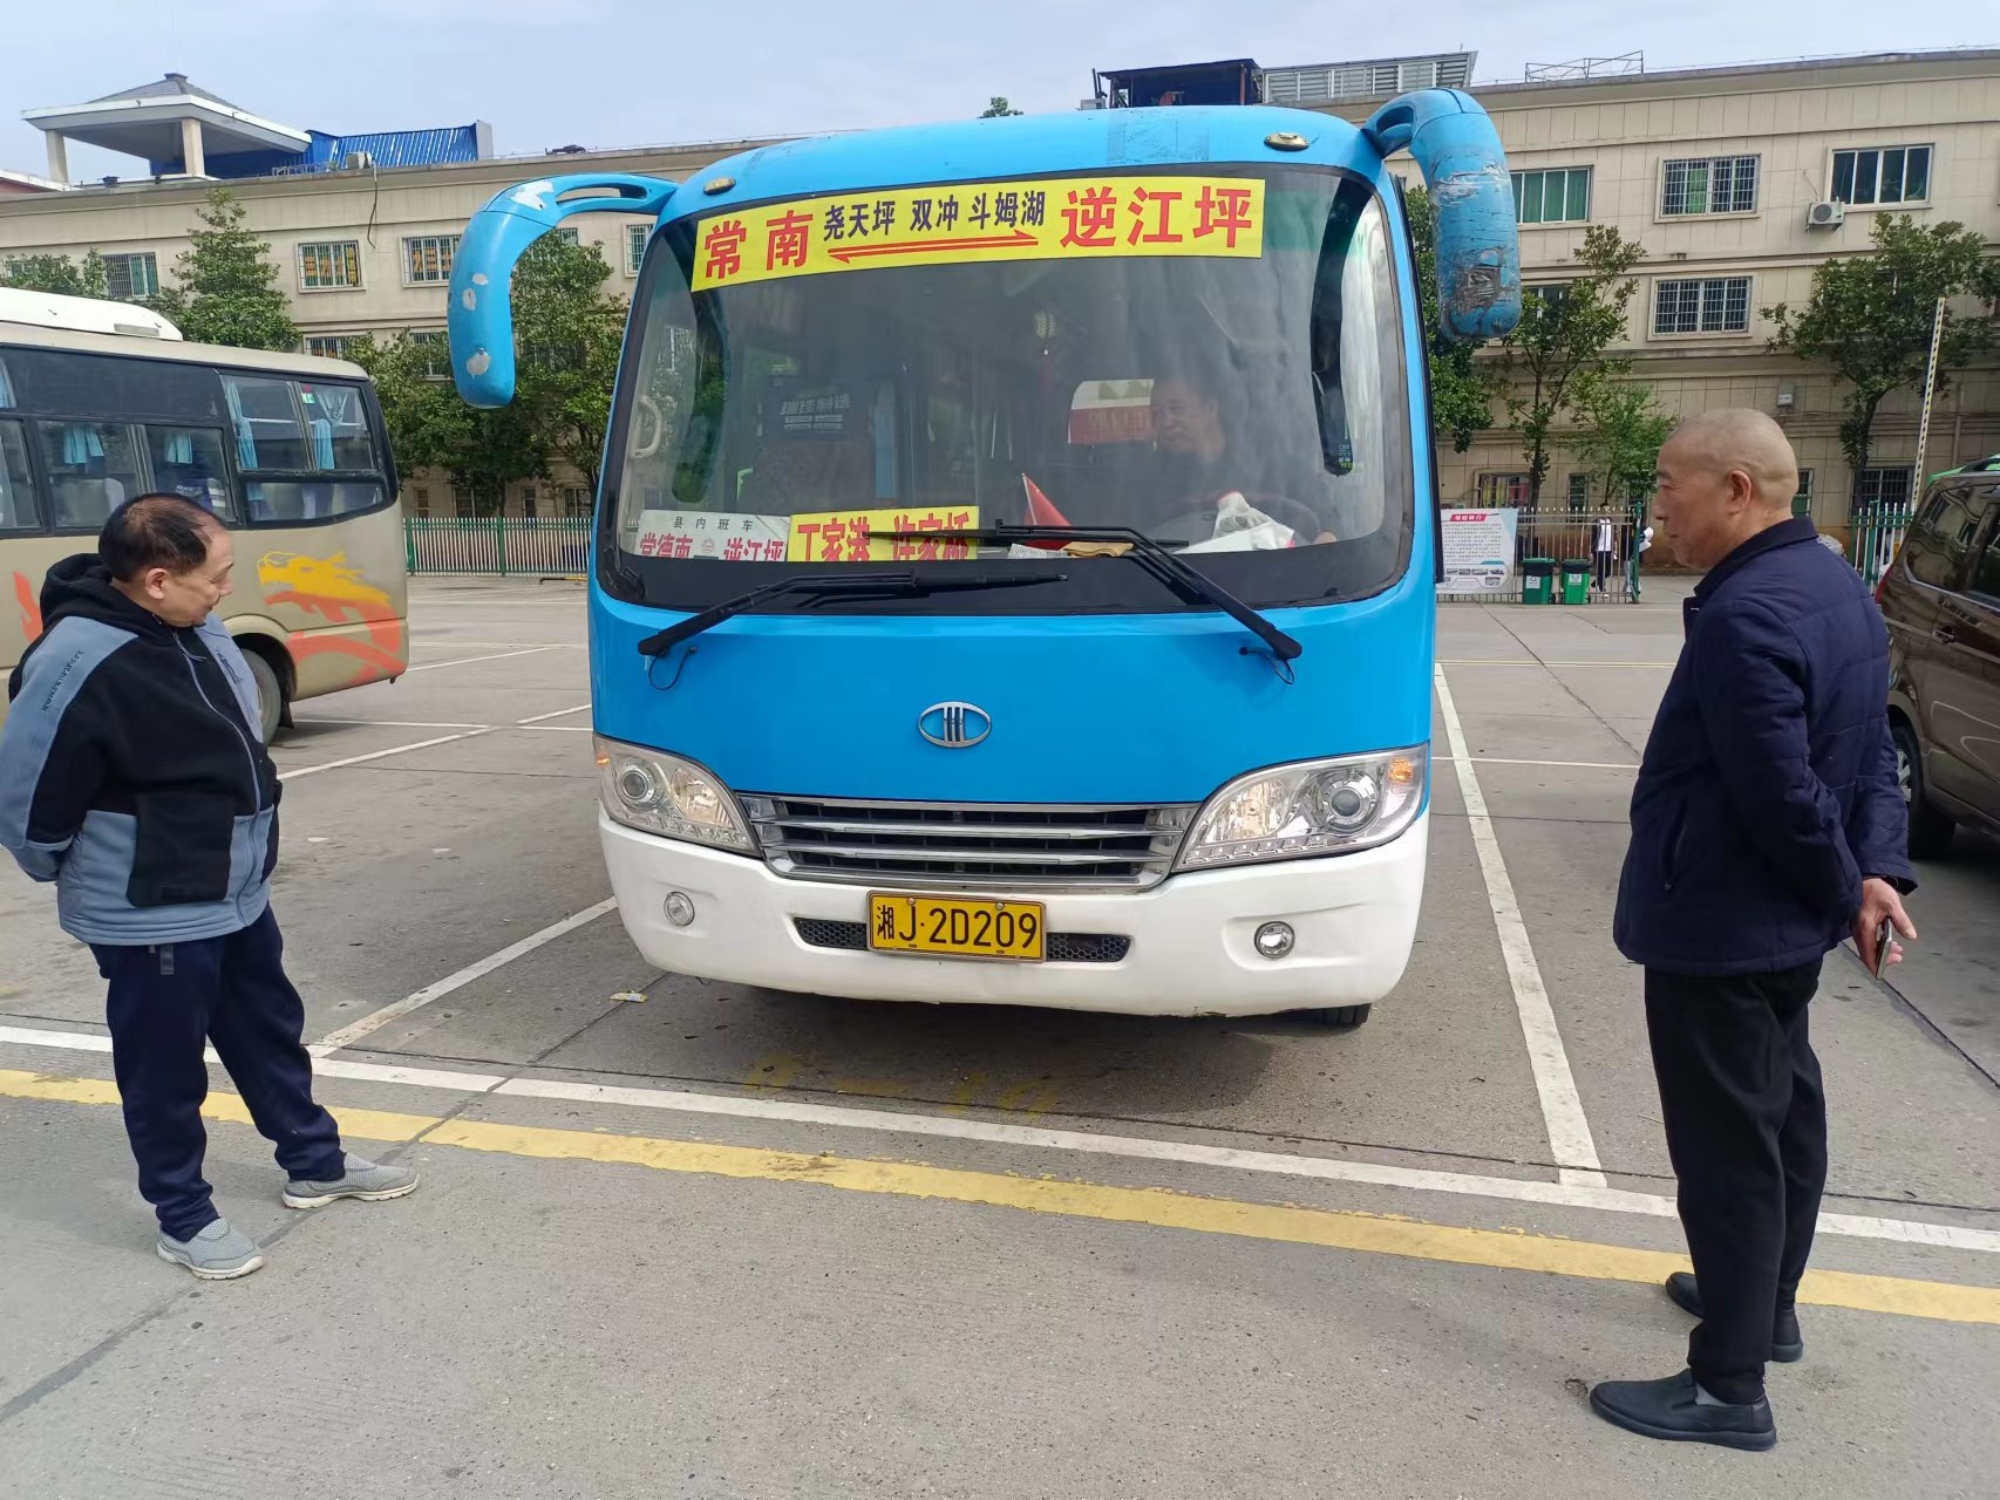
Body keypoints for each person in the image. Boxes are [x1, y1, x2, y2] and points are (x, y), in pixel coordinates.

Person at [1591, 410, 1915, 1451]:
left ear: (1736, 490)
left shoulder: (1745, 613)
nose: (1655, 506)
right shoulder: (1831, 587)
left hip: (1723, 922)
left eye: (1664, 485)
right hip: (1778, 927)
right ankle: (1762, 1307)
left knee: (1728, 1150)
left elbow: (1778, 793)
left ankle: (1727, 1390)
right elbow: (1867, 760)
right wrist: (1867, 875)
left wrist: (1840, 884)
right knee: (1783, 1117)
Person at [0, 494, 417, 1281]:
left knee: (267, 1029)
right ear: (157, 579)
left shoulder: (197, 626)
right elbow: (26, 793)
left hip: (234, 887)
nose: (227, 590)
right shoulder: (75, 658)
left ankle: (313, 1161)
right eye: (216, 577)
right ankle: (183, 1214)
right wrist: (76, 873)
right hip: (150, 900)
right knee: (164, 1068)